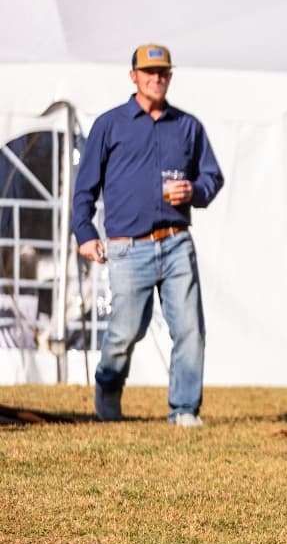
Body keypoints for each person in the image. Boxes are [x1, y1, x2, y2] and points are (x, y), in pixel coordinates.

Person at [72, 44, 224, 426]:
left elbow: (212, 175)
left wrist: (195, 191)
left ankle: (184, 409)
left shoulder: (187, 126)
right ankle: (108, 390)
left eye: (163, 73)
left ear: (170, 77)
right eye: (149, 72)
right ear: (133, 76)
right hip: (127, 247)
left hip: (176, 241)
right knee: (125, 332)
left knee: (190, 328)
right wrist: (85, 231)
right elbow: (84, 187)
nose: (157, 79)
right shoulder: (110, 125)